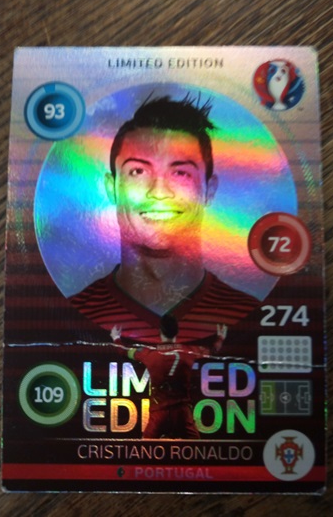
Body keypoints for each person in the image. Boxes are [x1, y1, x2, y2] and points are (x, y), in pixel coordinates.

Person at [71, 96, 259, 343]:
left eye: (180, 173)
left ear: (209, 190)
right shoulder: (70, 317)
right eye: (138, 171)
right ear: (111, 189)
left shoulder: (253, 317)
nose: (159, 192)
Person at [110, 316, 228, 439]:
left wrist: (116, 338)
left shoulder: (148, 353)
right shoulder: (189, 351)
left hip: (159, 413)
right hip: (182, 413)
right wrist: (220, 337)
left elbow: (124, 351)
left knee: (145, 447)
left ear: (160, 331)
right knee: (196, 448)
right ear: (177, 332)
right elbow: (212, 350)